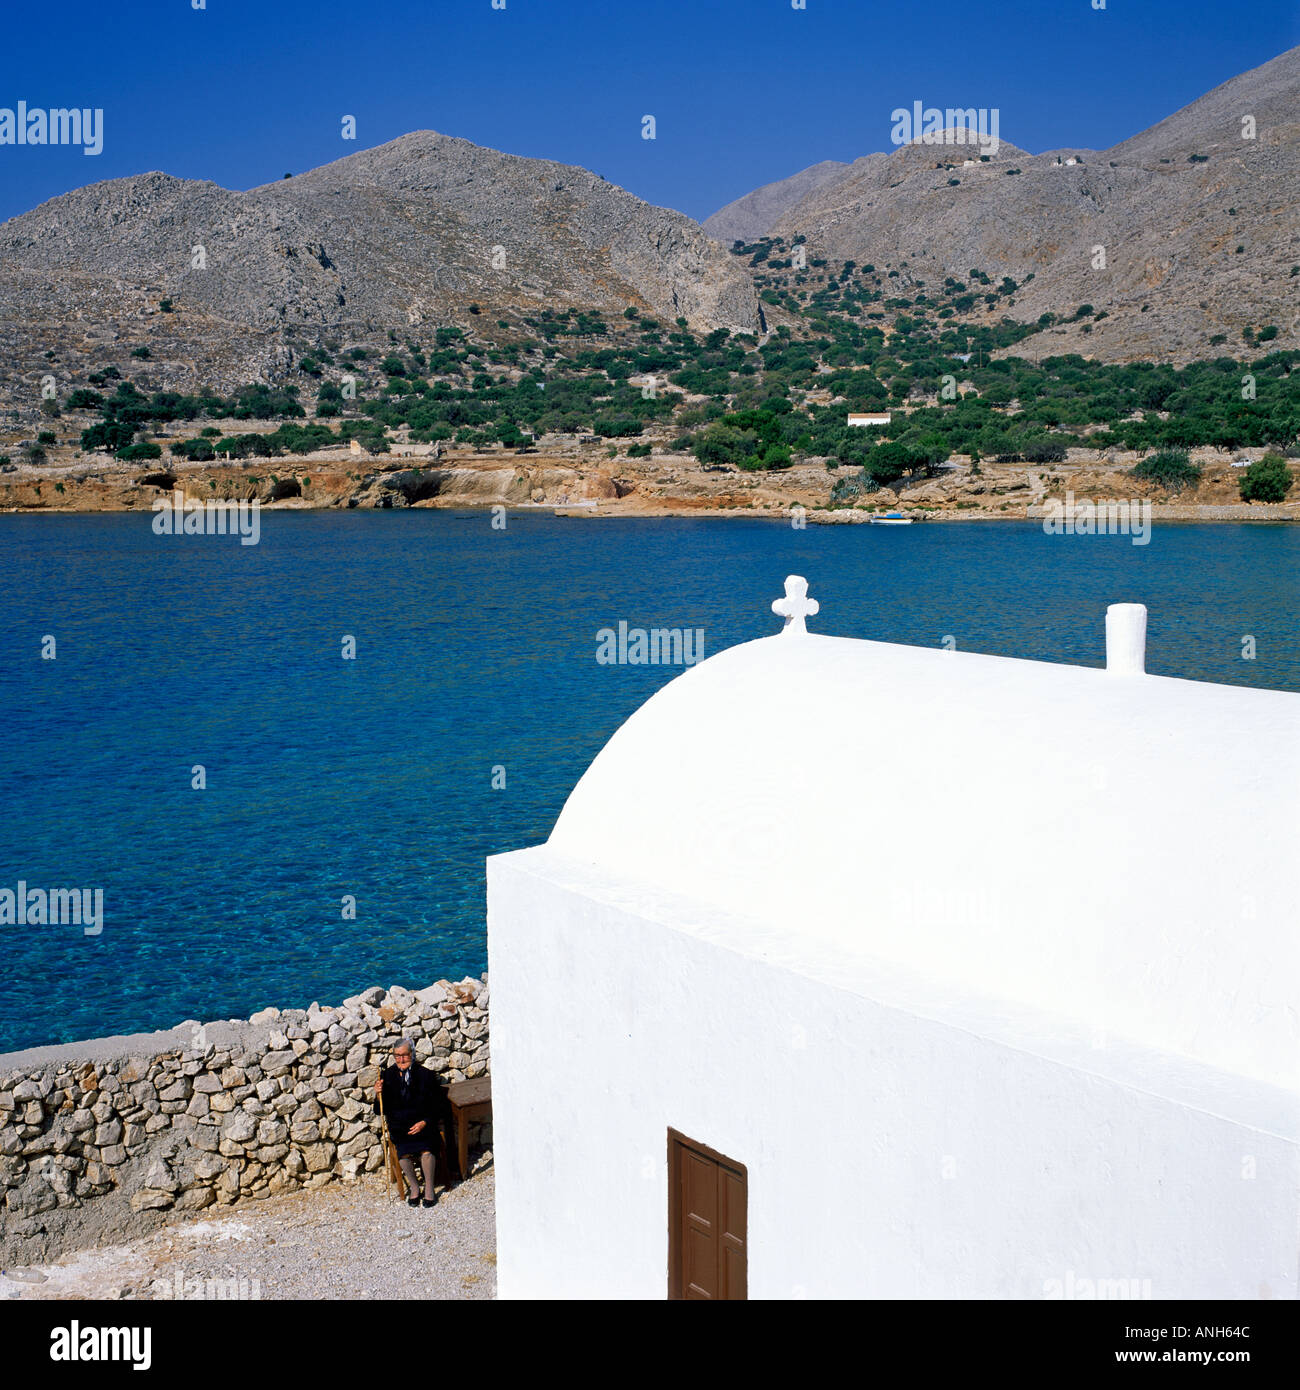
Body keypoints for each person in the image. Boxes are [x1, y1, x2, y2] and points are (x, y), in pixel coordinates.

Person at [374, 1038, 452, 1208]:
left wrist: (424, 1122)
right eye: (397, 1056)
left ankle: (429, 1188)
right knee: (403, 1152)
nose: (401, 1060)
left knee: (427, 1150)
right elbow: (379, 1109)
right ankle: (415, 1188)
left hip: (424, 1124)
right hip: (400, 1126)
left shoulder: (426, 1074)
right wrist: (378, 1094)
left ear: (412, 1054)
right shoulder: (387, 1075)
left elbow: (438, 1106)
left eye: (405, 1055)